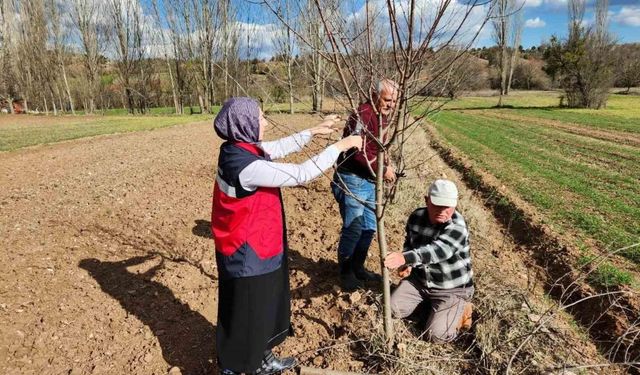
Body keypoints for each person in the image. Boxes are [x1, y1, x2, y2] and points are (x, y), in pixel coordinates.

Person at [211, 97, 362, 375]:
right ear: (245, 124)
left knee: (264, 307)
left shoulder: (238, 148)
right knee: (249, 313)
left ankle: (261, 359)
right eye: (260, 118)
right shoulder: (246, 165)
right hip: (247, 253)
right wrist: (340, 146)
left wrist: (313, 132)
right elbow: (302, 173)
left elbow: (276, 148)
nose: (265, 122)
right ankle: (237, 368)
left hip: (260, 245)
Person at [384, 179, 474, 343]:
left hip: (451, 289)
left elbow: (439, 251)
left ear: (454, 205)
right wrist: (408, 264)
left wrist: (405, 257)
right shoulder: (416, 216)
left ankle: (461, 311)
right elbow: (410, 243)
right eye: (437, 205)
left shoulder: (457, 225)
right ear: (427, 200)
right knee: (390, 310)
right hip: (420, 282)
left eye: (447, 207)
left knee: (435, 336)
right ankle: (429, 308)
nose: (443, 211)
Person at [331, 79, 399, 291]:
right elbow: (356, 151)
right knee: (354, 228)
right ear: (374, 95)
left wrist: (387, 163)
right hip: (352, 177)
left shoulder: (382, 117)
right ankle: (345, 272)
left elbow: (377, 148)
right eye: (388, 100)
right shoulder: (363, 114)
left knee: (369, 227)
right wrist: (382, 168)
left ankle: (358, 266)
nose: (391, 105)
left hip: (369, 180)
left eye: (395, 101)